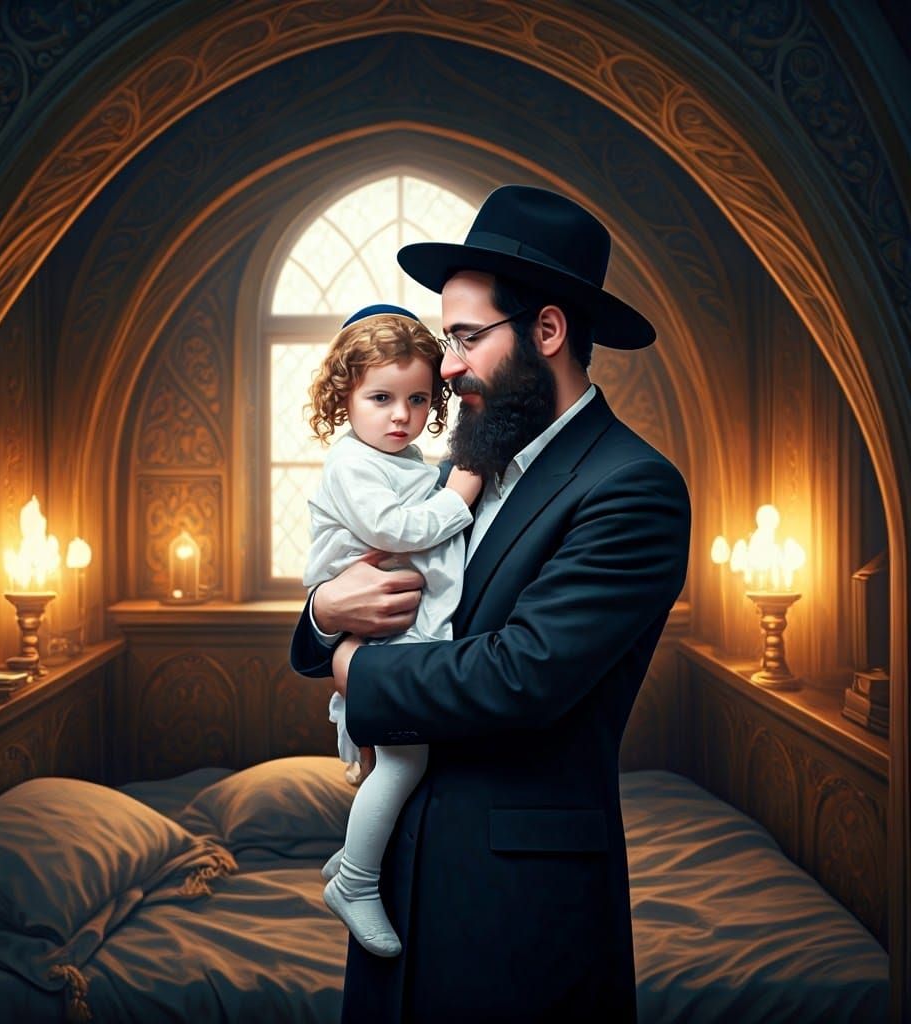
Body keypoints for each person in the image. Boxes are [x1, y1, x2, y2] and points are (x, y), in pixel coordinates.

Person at [290, 185, 692, 1023]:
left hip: (517, 912)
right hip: (398, 885)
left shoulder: (633, 489)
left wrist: (354, 668)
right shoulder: (451, 474)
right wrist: (329, 611)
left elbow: (522, 674)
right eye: (447, 341)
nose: (447, 367)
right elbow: (368, 582)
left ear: (547, 331)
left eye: (468, 338)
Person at [302, 304, 482, 959]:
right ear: (343, 399)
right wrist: (457, 497)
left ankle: (354, 855)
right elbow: (392, 533)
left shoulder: (407, 461)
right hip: (378, 642)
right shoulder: (353, 463)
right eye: (380, 398)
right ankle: (355, 881)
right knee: (405, 762)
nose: (401, 415)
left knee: (397, 762)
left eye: (416, 399)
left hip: (404, 636)